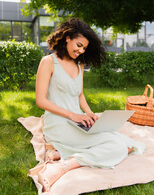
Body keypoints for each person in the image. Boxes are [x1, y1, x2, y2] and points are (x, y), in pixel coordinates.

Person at [36, 18, 145, 192]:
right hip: (58, 123)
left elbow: (79, 94)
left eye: (84, 48)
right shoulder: (48, 62)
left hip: (78, 120)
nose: (80, 50)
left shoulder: (79, 63)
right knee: (117, 147)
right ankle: (62, 167)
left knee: (127, 143)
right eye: (78, 45)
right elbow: (40, 100)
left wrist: (90, 113)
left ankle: (62, 154)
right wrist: (73, 115)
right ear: (67, 38)